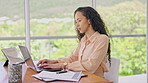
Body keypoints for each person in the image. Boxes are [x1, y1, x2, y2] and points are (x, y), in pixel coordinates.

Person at [37, 6, 111, 77]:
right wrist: (54, 62)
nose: (77, 25)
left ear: (89, 20)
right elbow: (72, 59)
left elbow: (91, 66)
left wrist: (62, 65)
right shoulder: (83, 40)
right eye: (76, 22)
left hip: (95, 79)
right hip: (82, 77)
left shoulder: (102, 39)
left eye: (79, 20)